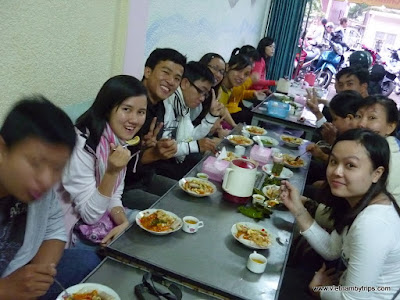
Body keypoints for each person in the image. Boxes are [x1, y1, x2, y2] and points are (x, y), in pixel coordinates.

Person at [281, 128, 400, 299]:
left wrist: (319, 291)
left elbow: (354, 298)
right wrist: (298, 208)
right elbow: (332, 249)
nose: (336, 171)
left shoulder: (374, 223)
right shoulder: (358, 202)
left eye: (350, 165)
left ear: (377, 173)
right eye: (334, 162)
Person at [0, 96, 100, 300]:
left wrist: (39, 275)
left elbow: (54, 226)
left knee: (90, 261)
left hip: (18, 273)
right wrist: (5, 290)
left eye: (57, 168)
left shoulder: (35, 189)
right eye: (36, 162)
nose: (46, 180)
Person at [59, 75, 147, 249]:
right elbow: (89, 215)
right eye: (126, 109)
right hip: (69, 226)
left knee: (145, 228)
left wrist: (123, 223)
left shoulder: (118, 141)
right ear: (107, 109)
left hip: (100, 216)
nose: (134, 120)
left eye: (141, 112)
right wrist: (112, 172)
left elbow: (114, 195)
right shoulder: (82, 145)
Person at [123, 48, 186, 210]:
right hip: (124, 187)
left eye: (177, 78)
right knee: (175, 212)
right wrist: (150, 153)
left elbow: (144, 154)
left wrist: (156, 148)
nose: (171, 81)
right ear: (148, 71)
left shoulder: (160, 108)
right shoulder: (129, 103)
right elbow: (117, 162)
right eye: (166, 72)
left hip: (146, 177)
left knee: (188, 197)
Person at [154, 61, 224, 180]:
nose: (202, 98)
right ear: (185, 83)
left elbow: (191, 136)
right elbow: (167, 148)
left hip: (170, 160)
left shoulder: (183, 107)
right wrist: (197, 145)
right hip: (158, 165)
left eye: (205, 94)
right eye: (200, 91)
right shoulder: (167, 103)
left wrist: (211, 116)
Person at [356, 95, 400, 206]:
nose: (361, 123)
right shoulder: (374, 146)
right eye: (359, 116)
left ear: (390, 127)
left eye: (372, 118)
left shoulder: (389, 155)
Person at [218, 52, 253, 127]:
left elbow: (222, 108)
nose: (242, 77)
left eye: (246, 74)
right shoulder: (218, 89)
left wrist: (234, 125)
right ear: (227, 67)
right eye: (239, 70)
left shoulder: (229, 89)